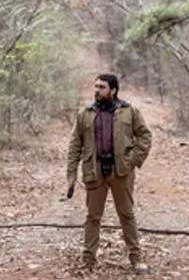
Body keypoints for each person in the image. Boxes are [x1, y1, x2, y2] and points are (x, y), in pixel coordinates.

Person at [64, 73, 153, 272]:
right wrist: (71, 175)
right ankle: (88, 261)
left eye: (101, 87)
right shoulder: (85, 114)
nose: (97, 90)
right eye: (95, 86)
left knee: (126, 215)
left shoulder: (129, 111)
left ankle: (136, 258)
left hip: (121, 172)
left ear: (113, 90)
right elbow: (75, 145)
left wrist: (132, 161)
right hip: (95, 172)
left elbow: (145, 137)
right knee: (93, 217)